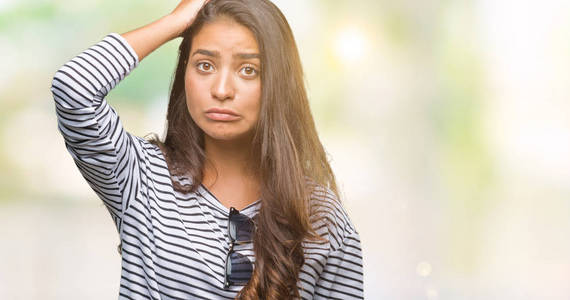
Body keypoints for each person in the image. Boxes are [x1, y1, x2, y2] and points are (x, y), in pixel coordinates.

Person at [49, 0, 363, 299]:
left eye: (248, 70)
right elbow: (73, 88)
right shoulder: (141, 176)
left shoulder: (320, 217)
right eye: (205, 65)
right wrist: (175, 22)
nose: (222, 90)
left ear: (277, 84)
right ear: (184, 73)